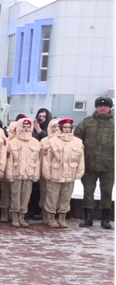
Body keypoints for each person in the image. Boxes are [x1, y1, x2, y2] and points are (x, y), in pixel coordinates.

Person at [75, 96, 115, 228]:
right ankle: (88, 218)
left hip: (109, 165)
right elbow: (76, 140)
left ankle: (105, 219)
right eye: (100, 106)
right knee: (88, 191)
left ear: (110, 108)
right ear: (96, 107)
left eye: (105, 106)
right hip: (89, 163)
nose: (102, 108)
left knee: (107, 191)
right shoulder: (87, 122)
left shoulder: (114, 124)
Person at [43, 118, 85, 228]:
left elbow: (81, 159)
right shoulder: (52, 141)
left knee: (66, 197)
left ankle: (62, 217)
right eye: (65, 127)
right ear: (61, 128)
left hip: (70, 173)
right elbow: (47, 159)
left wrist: (79, 172)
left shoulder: (77, 141)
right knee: (52, 197)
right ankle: (50, 217)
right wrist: (47, 173)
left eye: (69, 127)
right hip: (55, 172)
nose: (67, 129)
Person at [5, 118, 42, 228]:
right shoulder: (13, 142)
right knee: (15, 195)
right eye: (24, 126)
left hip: (29, 174)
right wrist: (9, 175)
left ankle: (22, 216)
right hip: (16, 173)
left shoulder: (36, 143)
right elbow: (9, 161)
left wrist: (36, 175)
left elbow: (38, 161)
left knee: (26, 195)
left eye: (28, 127)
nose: (26, 129)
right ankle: (15, 216)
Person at [38, 118, 60, 225]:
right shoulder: (44, 141)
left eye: (58, 126)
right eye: (53, 127)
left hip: (59, 173)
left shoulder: (65, 140)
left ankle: (55, 215)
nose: (56, 129)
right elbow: (42, 158)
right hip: (45, 172)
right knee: (45, 193)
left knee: (56, 195)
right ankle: (45, 215)